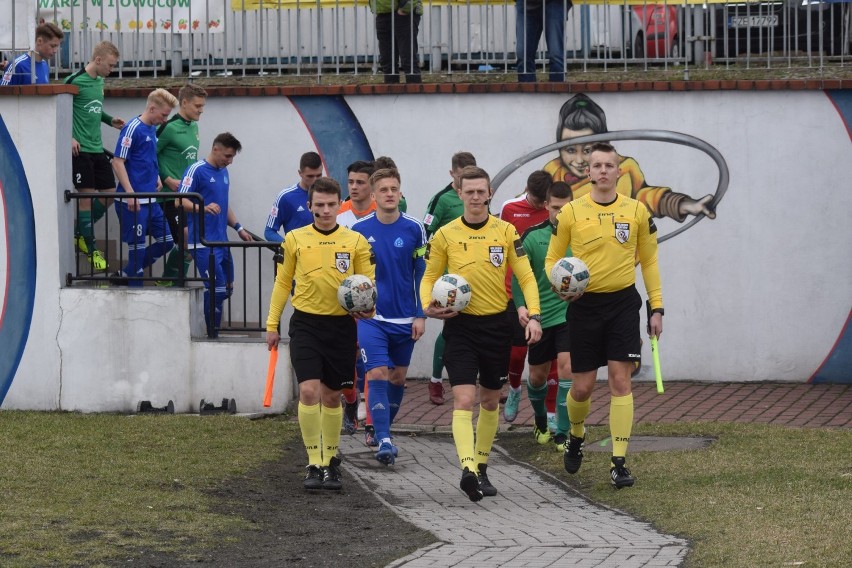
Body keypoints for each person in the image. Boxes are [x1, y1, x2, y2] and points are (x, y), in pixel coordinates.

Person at [544, 142, 664, 489]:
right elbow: (552, 260)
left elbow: (651, 261)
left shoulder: (637, 211)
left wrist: (656, 307)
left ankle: (619, 461)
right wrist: (559, 284)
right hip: (584, 307)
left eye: (609, 166)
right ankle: (577, 436)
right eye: (596, 166)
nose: (602, 171)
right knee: (581, 388)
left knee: (620, 381)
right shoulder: (571, 213)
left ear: (618, 170)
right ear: (588, 171)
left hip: (623, 304)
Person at [420, 165, 542, 502]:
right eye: (469, 191)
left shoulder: (506, 232)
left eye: (481, 191)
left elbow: (527, 277)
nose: (475, 197)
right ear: (458, 193)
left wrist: (533, 315)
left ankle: (483, 467)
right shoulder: (445, 234)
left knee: (489, 400)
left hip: (498, 326)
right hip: (459, 327)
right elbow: (429, 277)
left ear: (489, 193)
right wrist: (427, 305)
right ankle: (468, 468)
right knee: (463, 398)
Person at [266, 177, 375, 492]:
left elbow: (368, 283)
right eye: (319, 206)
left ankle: (331, 460)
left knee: (331, 397)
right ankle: (313, 462)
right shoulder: (295, 239)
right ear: (310, 206)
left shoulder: (354, 241)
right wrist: (272, 324)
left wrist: (368, 306)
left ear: (338, 204)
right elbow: (283, 283)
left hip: (341, 327)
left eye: (331, 205)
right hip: (306, 325)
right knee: (309, 392)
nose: (325, 211)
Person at [351, 168, 427, 465]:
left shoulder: (415, 228)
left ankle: (383, 428)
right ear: (373, 195)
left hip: (405, 318)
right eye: (384, 190)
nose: (390, 194)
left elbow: (423, 273)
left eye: (394, 188)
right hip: (371, 317)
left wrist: (420, 314)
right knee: (377, 373)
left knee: (397, 377)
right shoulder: (358, 230)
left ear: (400, 192)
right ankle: (383, 439)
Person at [543, 94, 716, 221]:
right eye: (570, 150)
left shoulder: (624, 170)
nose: (579, 160)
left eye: (587, 150)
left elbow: (645, 198)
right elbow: (531, 203)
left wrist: (684, 205)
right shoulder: (551, 173)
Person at [511, 181, 574, 450]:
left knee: (567, 368)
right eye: (556, 208)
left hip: (569, 316)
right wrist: (522, 307)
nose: (560, 213)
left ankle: (563, 430)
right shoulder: (531, 237)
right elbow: (518, 276)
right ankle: (539, 419)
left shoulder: (581, 234)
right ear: (547, 205)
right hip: (540, 317)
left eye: (566, 207)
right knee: (537, 378)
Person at [178, 133, 252, 335]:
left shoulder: (224, 172)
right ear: (215, 149)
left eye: (232, 157)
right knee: (216, 290)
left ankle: (212, 329)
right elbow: (179, 201)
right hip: (202, 243)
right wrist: (202, 208)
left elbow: (223, 205)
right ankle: (212, 335)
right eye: (227, 156)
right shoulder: (196, 170)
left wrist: (239, 228)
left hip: (222, 241)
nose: (230, 161)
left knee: (226, 289)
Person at [498, 170, 554, 425]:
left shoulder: (554, 209)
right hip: (515, 292)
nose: (540, 205)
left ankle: (551, 413)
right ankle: (514, 390)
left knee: (550, 358)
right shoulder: (510, 208)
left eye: (544, 202)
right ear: (526, 190)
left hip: (547, 294)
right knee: (517, 353)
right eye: (535, 200)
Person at [422, 151, 477, 406]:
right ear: (452, 174)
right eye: (462, 176)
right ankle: (435, 381)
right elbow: (424, 236)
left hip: (476, 275)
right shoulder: (442, 200)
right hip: (449, 279)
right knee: (449, 329)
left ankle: (481, 381)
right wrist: (431, 266)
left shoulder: (478, 196)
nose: (468, 183)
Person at [66, 41, 125, 272]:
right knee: (86, 197)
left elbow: (94, 109)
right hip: (80, 151)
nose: (111, 70)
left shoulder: (100, 81)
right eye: (110, 65)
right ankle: (89, 248)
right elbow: (60, 112)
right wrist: (69, 137)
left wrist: (110, 120)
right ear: (98, 60)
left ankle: (81, 233)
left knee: (111, 193)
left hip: (98, 148)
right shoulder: (73, 81)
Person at [110, 88, 177, 286]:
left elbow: (146, 157)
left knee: (167, 241)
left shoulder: (152, 129)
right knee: (137, 246)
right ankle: (133, 282)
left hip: (151, 199)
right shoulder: (132, 128)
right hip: (132, 201)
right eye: (164, 115)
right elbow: (117, 162)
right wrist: (130, 194)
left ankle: (128, 272)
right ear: (152, 108)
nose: (165, 119)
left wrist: (157, 176)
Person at [156, 84, 208, 285]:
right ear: (184, 103)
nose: (201, 110)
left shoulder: (194, 126)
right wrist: (167, 178)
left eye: (203, 106)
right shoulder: (168, 127)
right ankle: (169, 280)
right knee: (187, 238)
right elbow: (149, 154)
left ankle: (175, 280)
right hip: (171, 196)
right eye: (197, 105)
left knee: (193, 241)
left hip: (190, 194)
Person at [264, 151, 323, 242]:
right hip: (299, 255)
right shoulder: (285, 197)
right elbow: (269, 232)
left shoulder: (329, 195)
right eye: (310, 176)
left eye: (319, 175)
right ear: (300, 173)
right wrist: (290, 247)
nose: (315, 180)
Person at [516, 0, 571, 83]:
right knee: (523, 55)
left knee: (556, 55)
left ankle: (557, 93)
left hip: (556, 3)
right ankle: (527, 94)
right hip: (526, 3)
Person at [370, 0, 422, 84]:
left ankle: (415, 93)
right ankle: (391, 93)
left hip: (403, 13)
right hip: (383, 13)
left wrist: (405, 8)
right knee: (387, 60)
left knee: (408, 58)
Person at [337, 160, 376, 228]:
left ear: (372, 185)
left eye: (360, 182)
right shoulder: (337, 213)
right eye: (351, 182)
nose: (354, 187)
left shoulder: (381, 211)